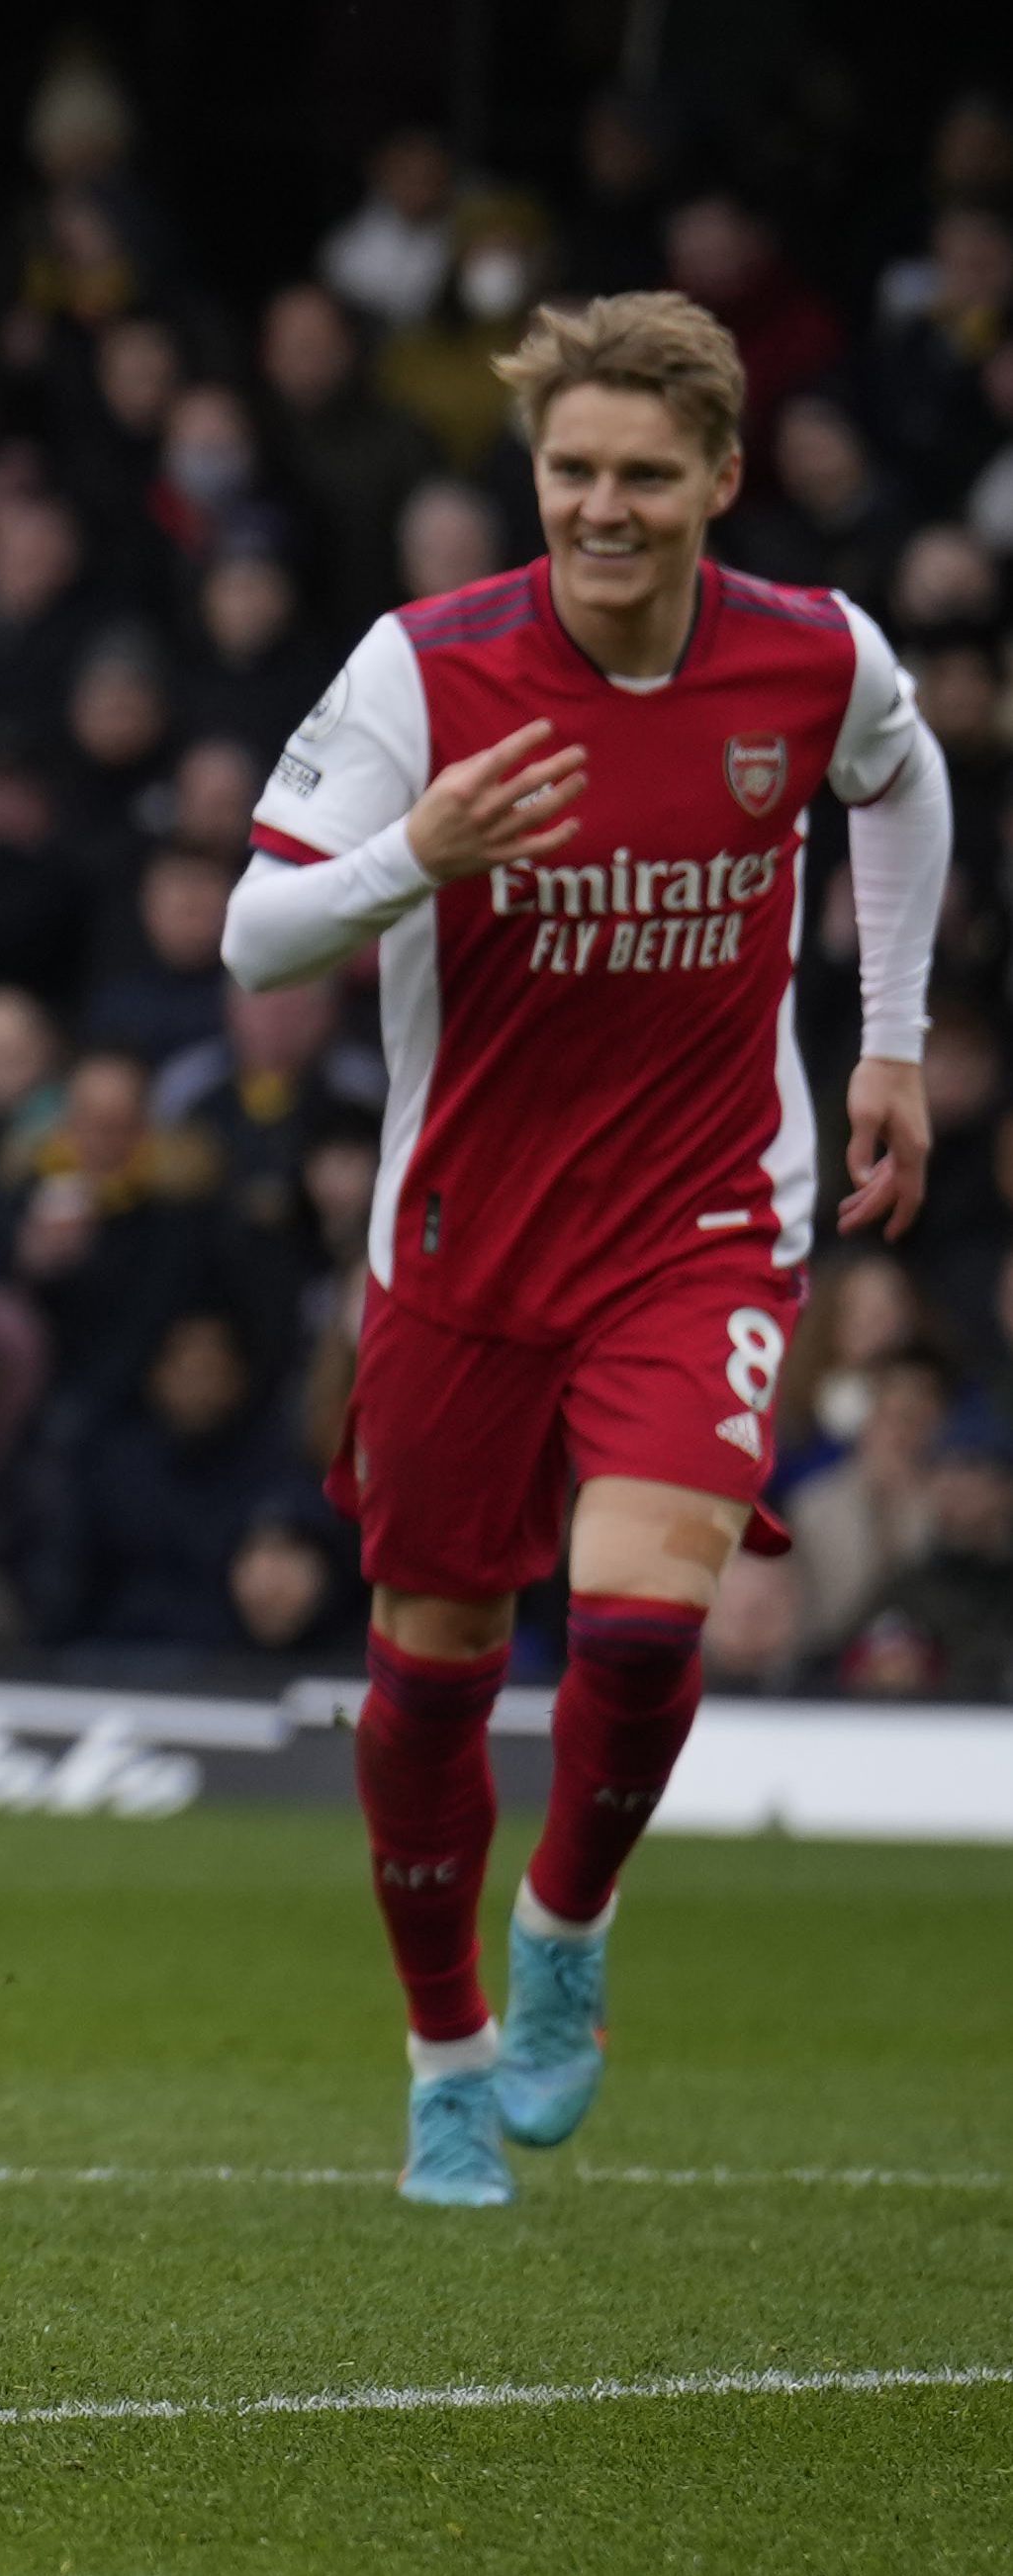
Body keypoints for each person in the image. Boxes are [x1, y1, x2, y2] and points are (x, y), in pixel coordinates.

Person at [225, 291, 947, 2207]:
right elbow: (252, 939)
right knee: (437, 1670)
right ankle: (444, 2045)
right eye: (570, 474)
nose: (603, 509)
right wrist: (420, 857)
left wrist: (889, 1041)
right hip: (461, 1242)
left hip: (705, 1216)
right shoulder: (422, 671)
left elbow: (907, 775)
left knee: (636, 1626)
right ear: (531, 478)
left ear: (722, 475)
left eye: (643, 474)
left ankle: (567, 1922)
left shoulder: (813, 657)